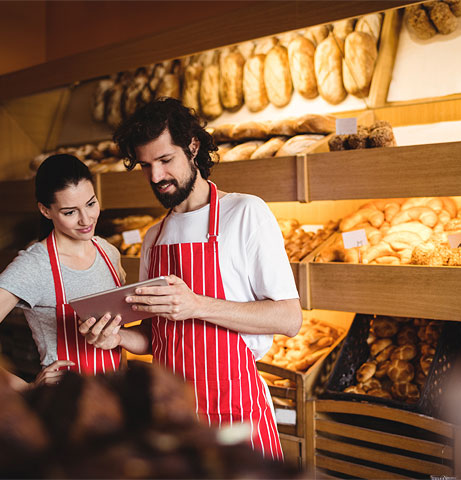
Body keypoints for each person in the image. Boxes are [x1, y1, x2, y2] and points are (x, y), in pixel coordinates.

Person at [79, 98, 302, 460]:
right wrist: (115, 336)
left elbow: (290, 318)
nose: (156, 177)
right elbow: (158, 339)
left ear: (193, 147)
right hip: (175, 419)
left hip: (235, 415)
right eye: (147, 165)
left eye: (165, 160)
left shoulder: (245, 213)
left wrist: (196, 304)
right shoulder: (154, 237)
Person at [0, 154, 125, 391]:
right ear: (46, 211)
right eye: (70, 212)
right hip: (65, 405)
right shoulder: (35, 265)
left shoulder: (109, 252)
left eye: (91, 203)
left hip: (116, 396)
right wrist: (27, 389)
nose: (86, 219)